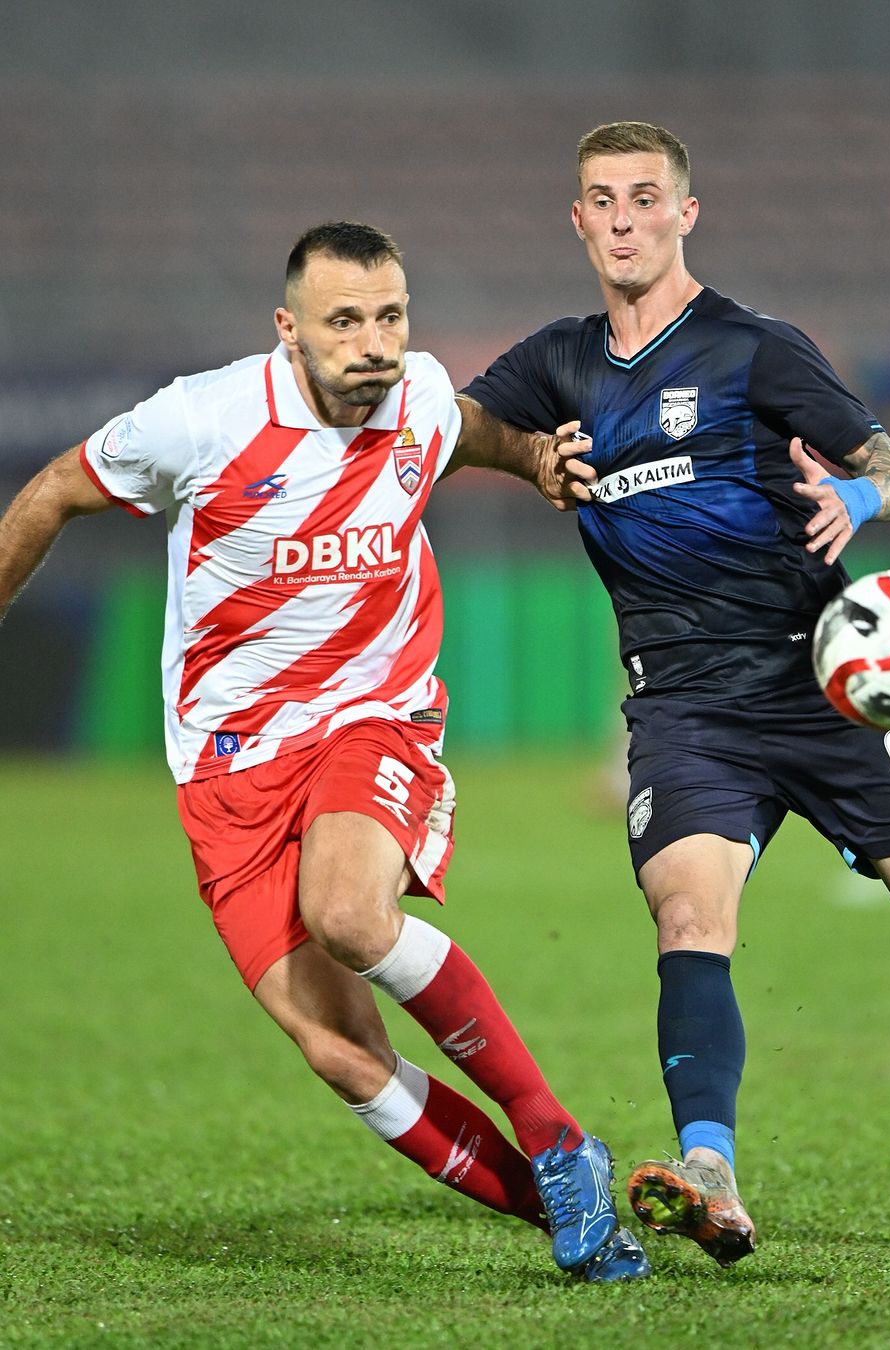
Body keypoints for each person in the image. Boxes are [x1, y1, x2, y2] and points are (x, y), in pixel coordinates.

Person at [460, 122, 890, 1270]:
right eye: (603, 200)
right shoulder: (556, 360)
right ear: (579, 219)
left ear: (686, 213)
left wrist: (857, 488)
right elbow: (446, 430)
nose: (625, 220)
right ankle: (710, 1172)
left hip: (821, 686)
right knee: (689, 920)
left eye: (647, 198)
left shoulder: (754, 349)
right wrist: (527, 456)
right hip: (685, 708)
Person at [0, 220, 650, 1284]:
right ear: (287, 330)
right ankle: (570, 1216)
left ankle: (553, 1129)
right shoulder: (200, 422)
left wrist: (535, 456)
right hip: (226, 771)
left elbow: (467, 431)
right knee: (342, 1053)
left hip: (371, 714)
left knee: (349, 915)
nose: (373, 343)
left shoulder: (420, 399)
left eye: (390, 315)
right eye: (345, 321)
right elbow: (54, 491)